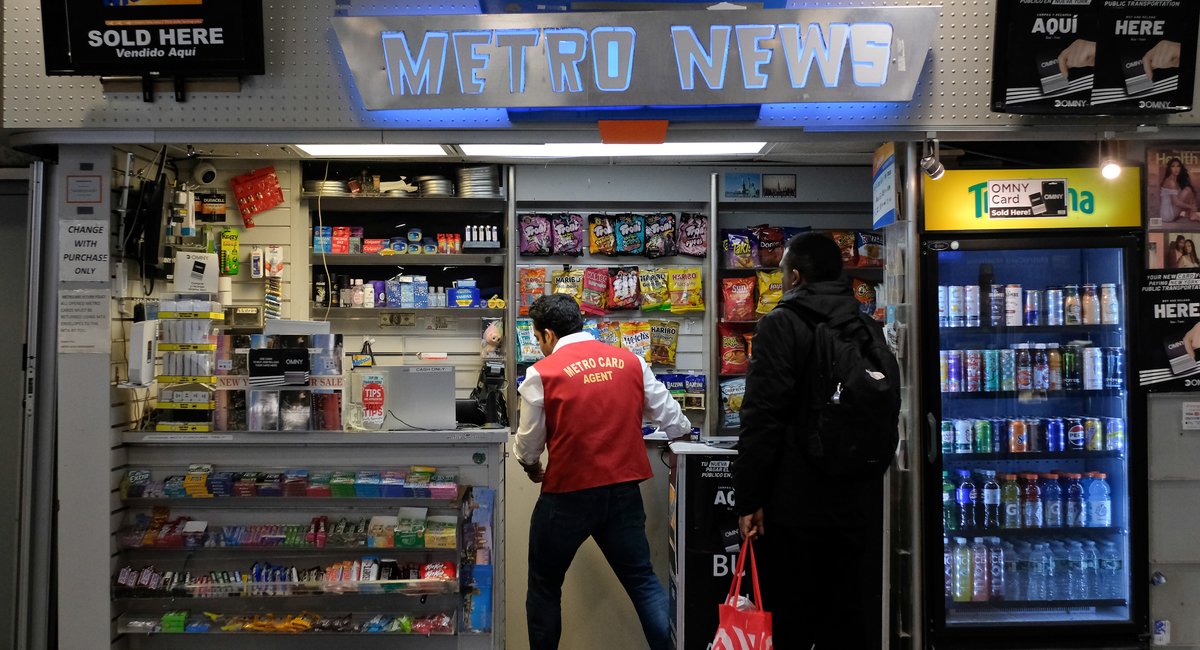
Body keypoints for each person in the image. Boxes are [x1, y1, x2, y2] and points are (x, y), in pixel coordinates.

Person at [732, 233, 885, 650]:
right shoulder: (866, 327)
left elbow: (762, 418)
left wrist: (749, 499)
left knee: (791, 624)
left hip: (794, 506)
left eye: (782, 271)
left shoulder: (781, 324)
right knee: (846, 623)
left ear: (795, 276)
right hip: (856, 503)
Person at [514, 293, 692, 650]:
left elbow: (529, 445)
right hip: (623, 492)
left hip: (566, 496)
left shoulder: (541, 374)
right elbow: (677, 422)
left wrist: (532, 467)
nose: (539, 346)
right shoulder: (630, 361)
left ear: (548, 334)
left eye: (537, 338)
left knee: (545, 588)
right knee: (643, 582)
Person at [1159, 158, 1198, 223]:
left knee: (1188, 189)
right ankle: (1192, 214)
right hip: (1167, 215)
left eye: (1178, 166)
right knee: (1187, 190)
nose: (1176, 169)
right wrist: (1191, 207)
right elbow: (1176, 202)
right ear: (1169, 168)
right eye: (1173, 166)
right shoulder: (1171, 181)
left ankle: (1192, 214)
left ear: (1181, 168)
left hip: (1169, 212)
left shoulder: (1176, 181)